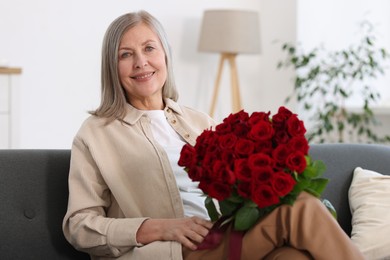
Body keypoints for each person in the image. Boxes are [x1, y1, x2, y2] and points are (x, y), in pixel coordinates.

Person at [62, 10, 365, 260]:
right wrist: (158, 228)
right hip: (175, 253)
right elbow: (80, 226)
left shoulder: (199, 121)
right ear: (111, 68)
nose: (141, 62)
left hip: (224, 236)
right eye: (126, 54)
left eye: (149, 48)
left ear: (165, 55)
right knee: (301, 208)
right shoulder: (95, 135)